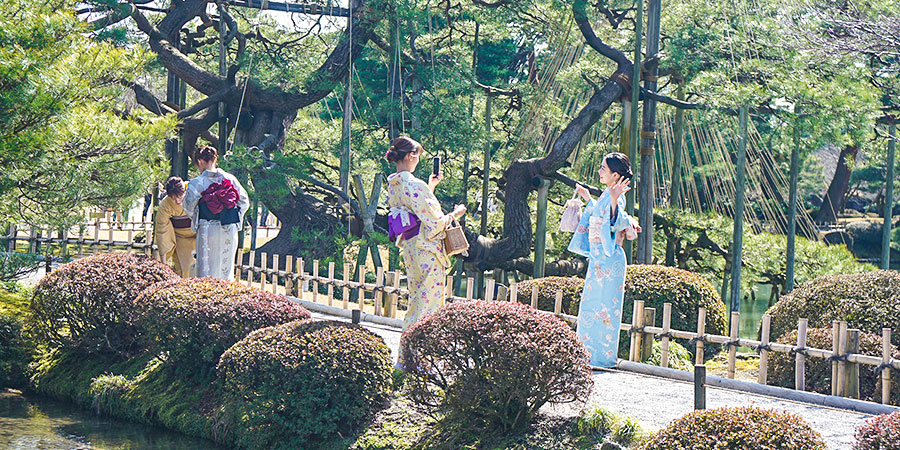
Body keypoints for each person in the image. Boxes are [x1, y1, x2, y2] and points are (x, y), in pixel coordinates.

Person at [567, 152, 641, 368]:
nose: (599, 172)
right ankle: (587, 354)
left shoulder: (617, 195)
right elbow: (596, 216)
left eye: (603, 169)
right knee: (591, 305)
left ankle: (601, 357)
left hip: (610, 260)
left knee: (606, 308)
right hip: (601, 259)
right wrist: (588, 198)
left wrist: (616, 199)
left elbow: (615, 222)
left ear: (614, 174)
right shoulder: (607, 194)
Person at [385, 136, 466, 331]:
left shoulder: (395, 184)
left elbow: (416, 210)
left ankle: (405, 358)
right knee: (428, 306)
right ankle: (418, 359)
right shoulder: (415, 185)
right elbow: (435, 223)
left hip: (412, 249)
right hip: (427, 251)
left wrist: (431, 187)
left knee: (416, 302)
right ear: (411, 156)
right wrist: (455, 214)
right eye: (417, 156)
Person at [183, 146, 250, 280]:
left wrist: (197, 218)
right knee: (226, 269)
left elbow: (188, 207)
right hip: (229, 229)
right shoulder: (230, 179)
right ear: (215, 159)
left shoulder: (197, 183)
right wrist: (235, 219)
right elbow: (244, 202)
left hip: (207, 229)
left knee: (206, 270)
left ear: (200, 161)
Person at [154, 177, 196, 277]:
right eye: (173, 198)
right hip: (180, 237)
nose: (177, 201)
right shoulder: (165, 204)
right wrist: (163, 263)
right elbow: (162, 230)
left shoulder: (195, 193)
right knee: (184, 269)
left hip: (198, 234)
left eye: (180, 197)